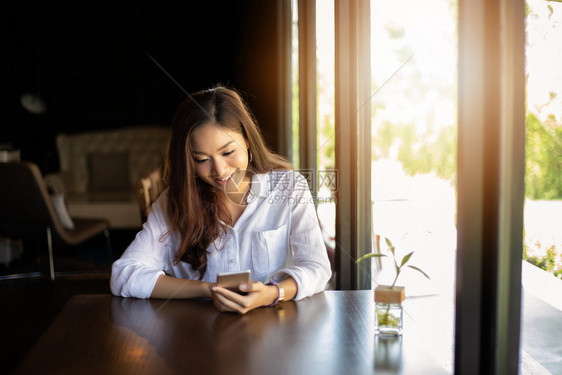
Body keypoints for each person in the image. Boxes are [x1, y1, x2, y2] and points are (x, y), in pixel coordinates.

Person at [110, 86, 332, 314]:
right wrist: (208, 289)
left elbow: (316, 267)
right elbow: (124, 275)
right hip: (195, 335)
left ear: (247, 140)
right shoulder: (173, 202)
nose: (220, 170)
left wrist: (272, 293)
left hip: (273, 332)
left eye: (227, 153)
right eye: (202, 159)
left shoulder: (289, 187)